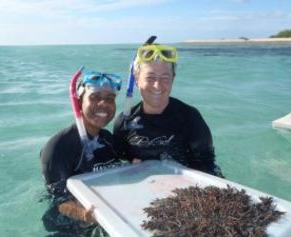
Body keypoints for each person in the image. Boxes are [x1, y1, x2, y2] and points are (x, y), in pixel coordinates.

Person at [113, 42, 224, 177]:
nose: (157, 85)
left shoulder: (190, 118)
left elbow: (208, 166)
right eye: (150, 77)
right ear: (137, 79)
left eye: (165, 78)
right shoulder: (124, 123)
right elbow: (117, 166)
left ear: (173, 79)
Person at [40, 71, 122, 237]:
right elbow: (60, 202)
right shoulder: (58, 147)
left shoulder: (108, 139)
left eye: (110, 99)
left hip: (105, 220)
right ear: (79, 101)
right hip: (71, 228)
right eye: (94, 97)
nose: (103, 104)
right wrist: (85, 214)